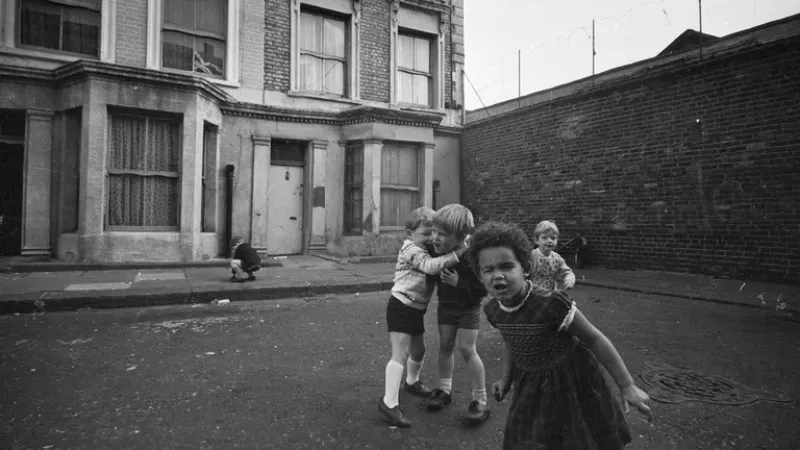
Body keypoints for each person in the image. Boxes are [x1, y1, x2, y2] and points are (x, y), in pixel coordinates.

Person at [469, 221, 653, 449]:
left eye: (507, 266)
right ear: (479, 275)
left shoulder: (551, 303)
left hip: (571, 382)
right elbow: (509, 339)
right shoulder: (493, 310)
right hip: (530, 385)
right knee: (528, 438)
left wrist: (627, 385)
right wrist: (506, 378)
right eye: (488, 270)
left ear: (525, 267)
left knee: (578, 438)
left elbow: (594, 338)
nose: (498, 276)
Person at [379, 207, 467, 428]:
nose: (432, 238)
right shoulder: (411, 249)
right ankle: (389, 403)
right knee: (400, 353)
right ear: (409, 233)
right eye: (426, 234)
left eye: (435, 233)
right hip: (400, 304)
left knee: (419, 349)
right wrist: (459, 252)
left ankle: (411, 382)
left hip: (416, 309)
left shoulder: (425, 249)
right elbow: (430, 267)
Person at [425, 204, 490, 423]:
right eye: (434, 231)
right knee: (445, 347)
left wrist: (458, 282)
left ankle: (480, 400)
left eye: (441, 234)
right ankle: (444, 391)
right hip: (446, 308)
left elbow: (482, 290)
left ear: (461, 236)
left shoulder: (471, 257)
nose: (434, 238)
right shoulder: (437, 250)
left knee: (467, 349)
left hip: (467, 309)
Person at [530, 220, 576, 292]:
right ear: (536, 240)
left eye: (553, 238)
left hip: (551, 295)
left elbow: (567, 271)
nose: (549, 241)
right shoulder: (532, 256)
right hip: (534, 294)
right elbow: (522, 273)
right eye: (544, 238)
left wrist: (569, 280)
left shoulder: (557, 258)